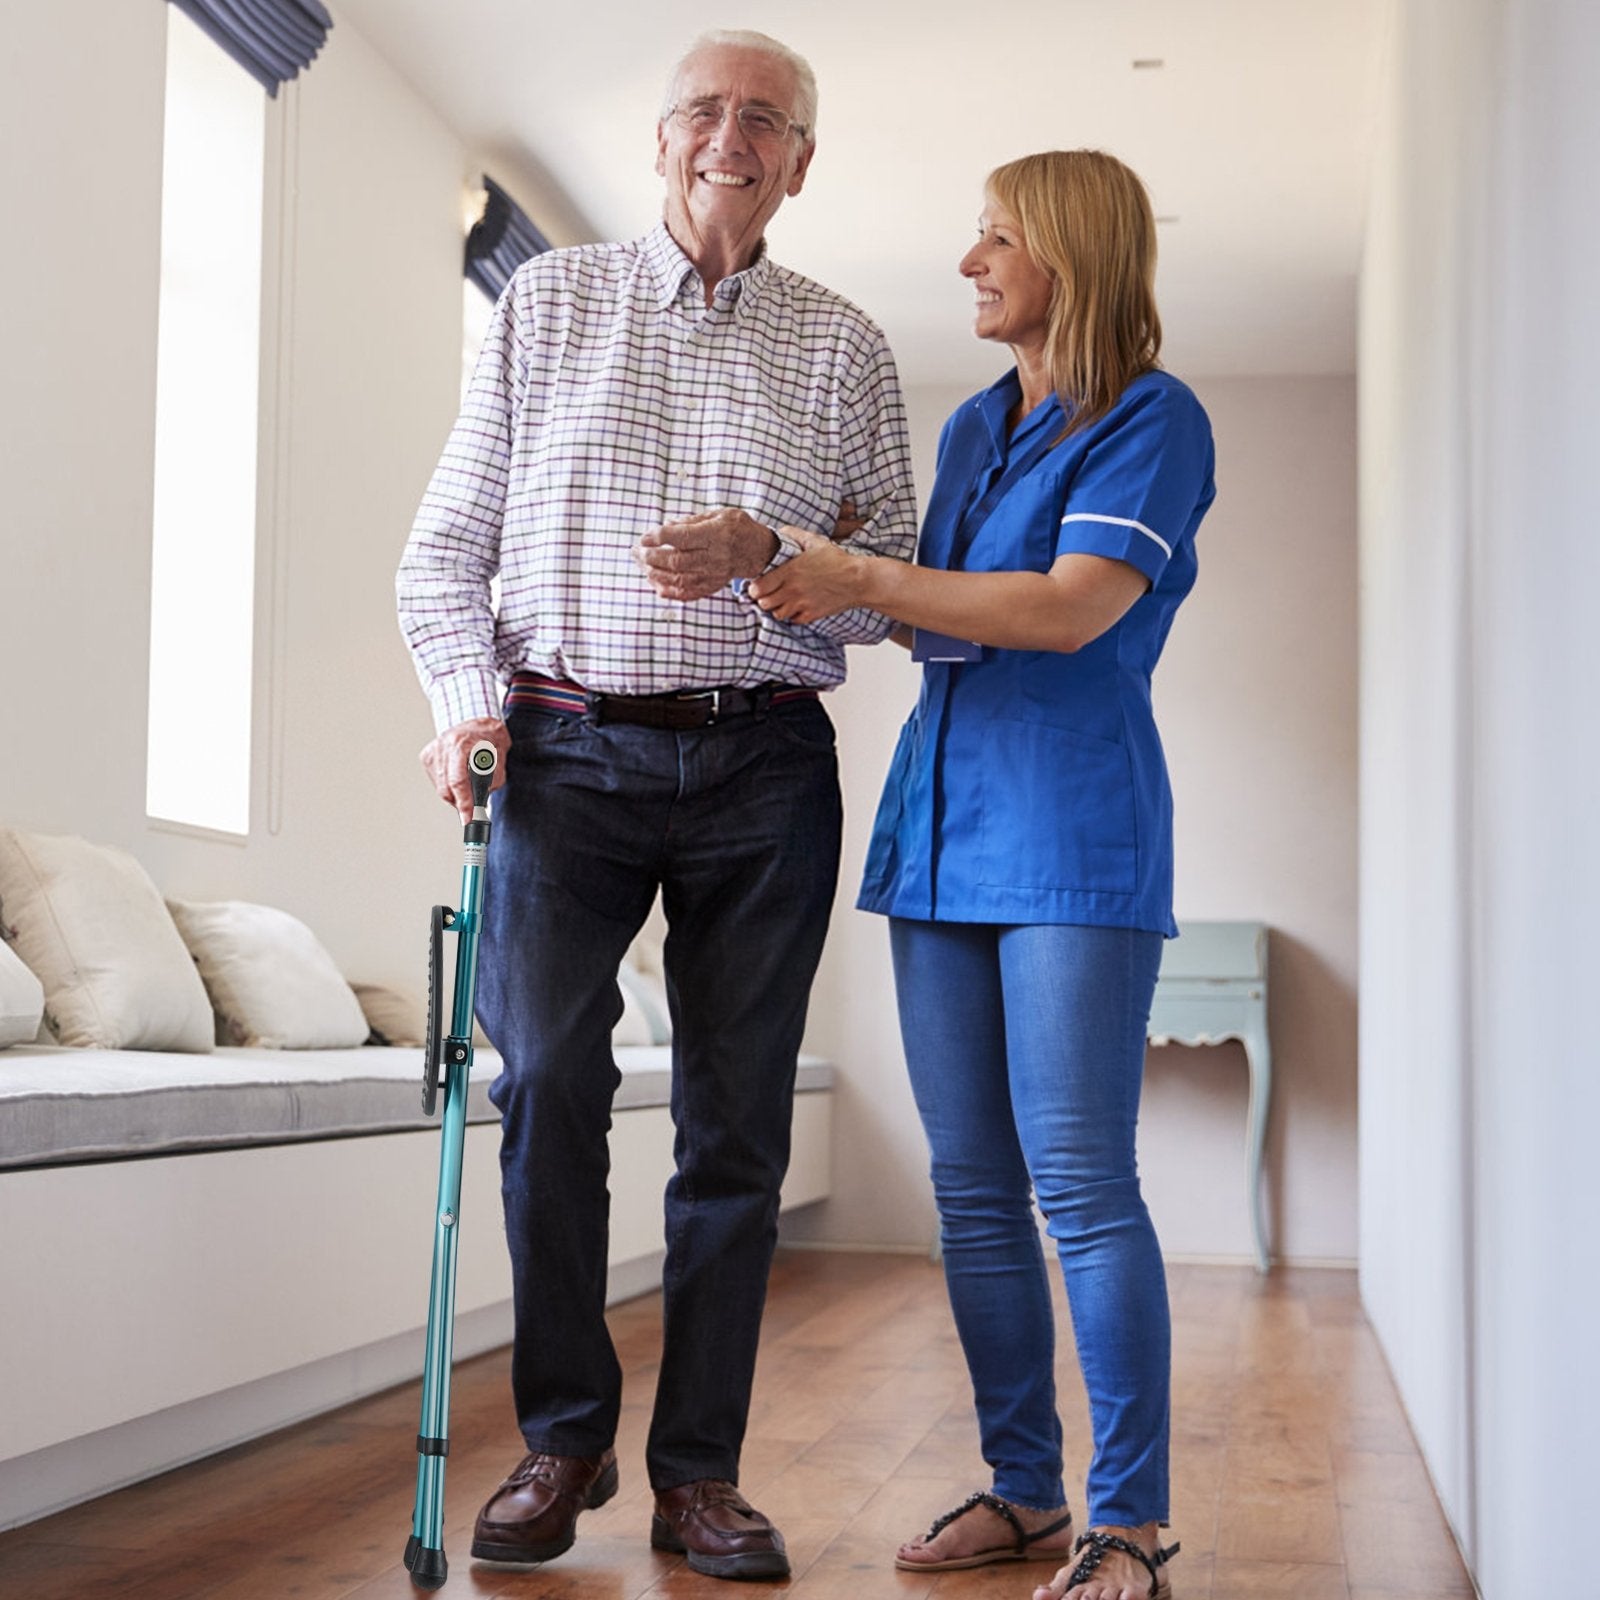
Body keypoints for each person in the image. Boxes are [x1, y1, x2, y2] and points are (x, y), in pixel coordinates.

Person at [395, 29, 916, 1584]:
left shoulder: (847, 345)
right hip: (564, 752)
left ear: (802, 160)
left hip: (763, 765)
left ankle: (701, 1472)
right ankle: (563, 1438)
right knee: (549, 1081)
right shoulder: (545, 300)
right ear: (664, 139)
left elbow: (884, 589)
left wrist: (771, 550)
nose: (730, 135)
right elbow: (444, 555)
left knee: (733, 1129)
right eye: (704, 109)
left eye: (767, 118)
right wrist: (463, 708)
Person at [749, 149, 1215, 1600]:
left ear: (1068, 254)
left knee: (1080, 1183)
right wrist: (791, 565)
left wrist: (870, 581)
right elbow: (941, 618)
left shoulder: (1154, 416)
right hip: (938, 833)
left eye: (995, 238)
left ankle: (1126, 1518)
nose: (970, 262)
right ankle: (1024, 1490)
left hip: (1073, 840)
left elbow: (1070, 610)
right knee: (969, 1190)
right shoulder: (969, 427)